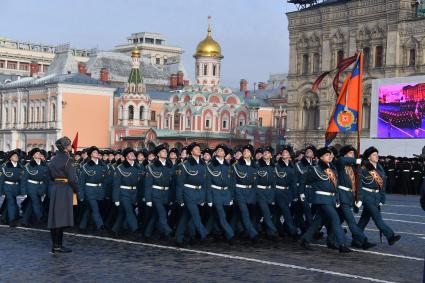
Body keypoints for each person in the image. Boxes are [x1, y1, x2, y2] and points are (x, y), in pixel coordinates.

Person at [300, 147, 352, 253]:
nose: (330, 156)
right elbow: (303, 180)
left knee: (318, 221)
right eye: (327, 155)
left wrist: (337, 199)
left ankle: (305, 239)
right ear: (321, 157)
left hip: (331, 199)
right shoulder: (315, 169)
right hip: (321, 198)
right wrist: (301, 192)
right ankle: (342, 244)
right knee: (335, 219)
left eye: (330, 155)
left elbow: (335, 186)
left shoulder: (332, 169)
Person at [357, 146, 401, 246]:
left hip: (376, 196)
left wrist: (382, 198)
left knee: (364, 219)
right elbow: (359, 184)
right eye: (374, 155)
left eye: (377, 154)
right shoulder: (363, 168)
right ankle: (390, 236)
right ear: (368, 157)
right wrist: (360, 197)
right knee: (377, 218)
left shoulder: (379, 167)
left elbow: (383, 185)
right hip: (367, 196)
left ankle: (356, 239)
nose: (377, 156)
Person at [47, 137, 79, 254]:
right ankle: (57, 245)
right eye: (69, 144)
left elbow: (50, 175)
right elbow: (72, 179)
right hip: (65, 189)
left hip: (55, 187)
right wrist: (77, 189)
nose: (71, 146)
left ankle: (56, 245)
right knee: (61, 218)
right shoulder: (68, 159)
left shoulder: (53, 159)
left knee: (54, 217)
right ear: (65, 147)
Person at [143, 144, 175, 240]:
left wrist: (172, 197)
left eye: (166, 151)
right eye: (163, 151)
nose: (165, 152)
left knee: (156, 215)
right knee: (162, 214)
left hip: (166, 194)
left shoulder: (170, 166)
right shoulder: (151, 166)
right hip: (156, 193)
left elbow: (172, 183)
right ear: (158, 154)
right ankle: (168, 232)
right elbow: (148, 184)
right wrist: (148, 199)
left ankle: (147, 234)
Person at [21, 148, 49, 226]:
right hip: (31, 187)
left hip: (41, 186)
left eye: (40, 153)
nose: (39, 154)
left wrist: (46, 188)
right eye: (37, 153)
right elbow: (24, 179)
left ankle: (25, 221)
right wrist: (23, 191)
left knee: (31, 204)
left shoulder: (44, 164)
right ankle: (40, 218)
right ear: (33, 156)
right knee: (36, 203)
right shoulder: (29, 165)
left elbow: (47, 178)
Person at [0, 149, 25, 227]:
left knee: (11, 202)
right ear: (10, 158)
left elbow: (22, 179)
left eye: (17, 156)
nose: (16, 157)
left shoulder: (21, 167)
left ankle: (4, 217)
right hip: (7, 187)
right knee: (12, 203)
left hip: (16, 187)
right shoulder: (5, 167)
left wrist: (22, 189)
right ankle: (12, 220)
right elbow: (2, 180)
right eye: (14, 156)